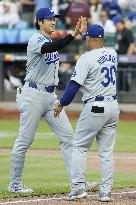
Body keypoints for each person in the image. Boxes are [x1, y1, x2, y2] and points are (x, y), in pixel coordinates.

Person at [8, 7, 88, 193]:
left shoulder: (49, 39)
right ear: (40, 22)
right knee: (25, 140)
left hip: (50, 97)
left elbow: (53, 46)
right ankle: (14, 184)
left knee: (69, 138)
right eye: (49, 18)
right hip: (33, 95)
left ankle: (78, 183)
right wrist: (74, 33)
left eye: (54, 18)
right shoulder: (36, 39)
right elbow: (51, 48)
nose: (53, 21)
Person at [54, 24, 120, 202]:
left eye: (87, 39)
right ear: (103, 38)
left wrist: (62, 103)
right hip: (113, 106)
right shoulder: (113, 54)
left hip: (96, 106)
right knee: (106, 152)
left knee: (79, 147)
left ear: (89, 39)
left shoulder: (86, 58)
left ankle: (77, 188)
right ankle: (105, 192)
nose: (86, 41)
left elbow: (73, 86)